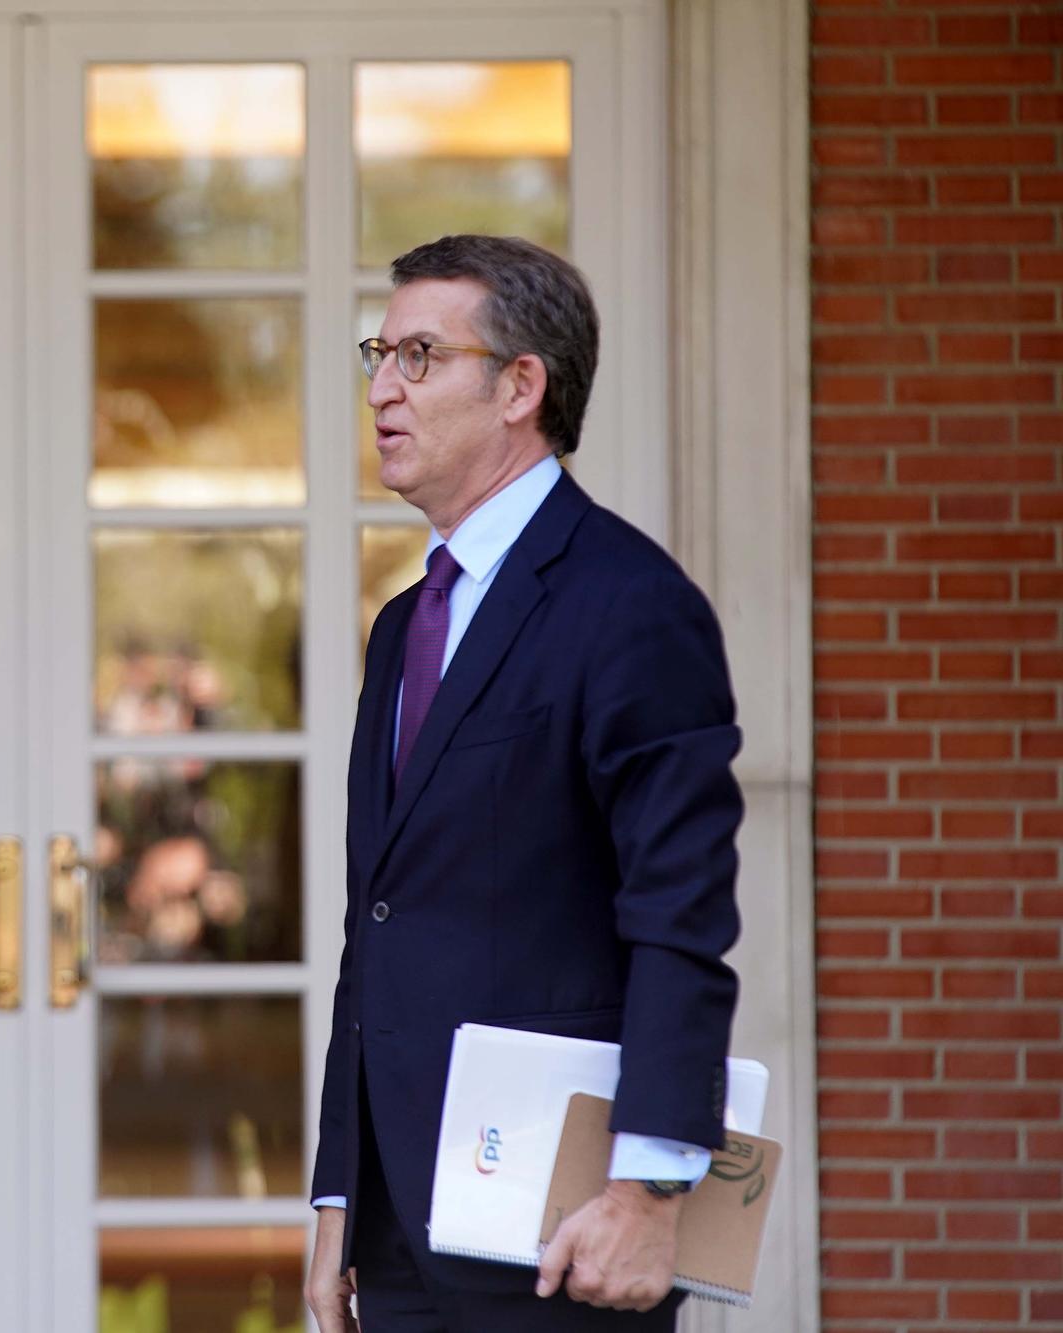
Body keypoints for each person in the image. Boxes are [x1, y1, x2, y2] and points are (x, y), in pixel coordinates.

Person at [304, 235, 742, 1332]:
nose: (379, 387)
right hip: (400, 1229)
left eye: (416, 353)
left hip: (561, 1232)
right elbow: (379, 923)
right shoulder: (403, 624)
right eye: (377, 353)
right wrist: (336, 1193)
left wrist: (647, 1189)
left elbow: (677, 919)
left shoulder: (629, 603)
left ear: (518, 386)